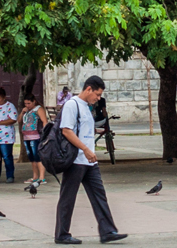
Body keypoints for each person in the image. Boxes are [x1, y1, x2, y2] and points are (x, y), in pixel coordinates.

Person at [53, 76, 126, 245]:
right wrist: (85, 149)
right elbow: (66, 131)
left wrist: (90, 151)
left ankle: (108, 231)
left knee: (99, 195)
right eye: (97, 94)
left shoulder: (87, 107)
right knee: (68, 198)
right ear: (88, 89)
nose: (98, 98)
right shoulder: (72, 105)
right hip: (76, 160)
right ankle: (61, 234)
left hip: (89, 161)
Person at [19, 95, 48, 184]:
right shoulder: (26, 111)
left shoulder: (38, 109)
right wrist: (22, 113)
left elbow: (44, 121)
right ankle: (35, 176)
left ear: (34, 101)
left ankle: (42, 177)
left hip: (36, 136)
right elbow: (19, 120)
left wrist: (44, 135)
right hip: (27, 137)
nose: (27, 105)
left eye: (29, 103)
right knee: (32, 157)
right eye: (25, 103)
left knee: (37, 156)